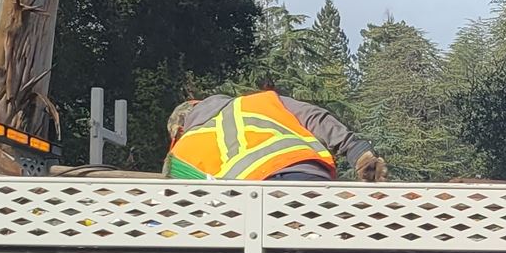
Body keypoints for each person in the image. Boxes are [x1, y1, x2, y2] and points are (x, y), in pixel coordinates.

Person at [165, 85, 386, 183]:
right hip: (308, 175)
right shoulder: (261, 101)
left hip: (252, 198)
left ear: (180, 129)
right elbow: (315, 117)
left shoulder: (182, 151)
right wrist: (357, 151)